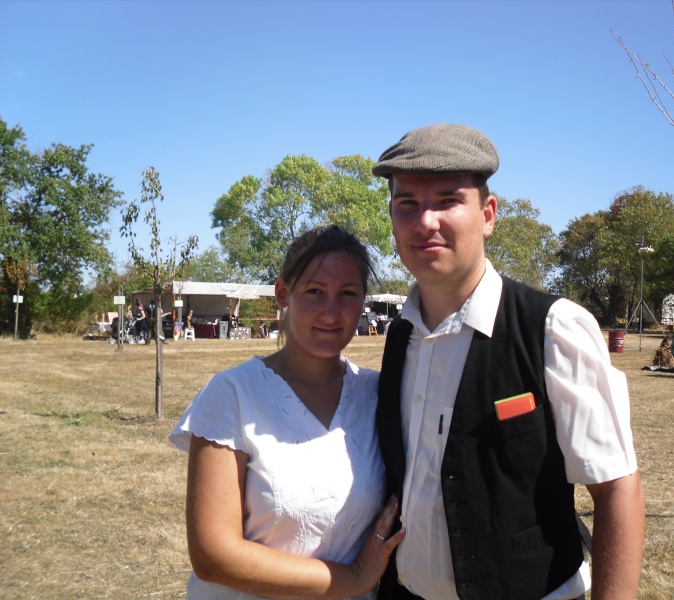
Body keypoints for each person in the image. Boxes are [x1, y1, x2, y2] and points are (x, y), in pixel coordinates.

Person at [371, 124, 645, 600]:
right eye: (407, 204)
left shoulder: (553, 328)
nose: (425, 221)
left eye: (448, 200)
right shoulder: (399, 336)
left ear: (489, 214)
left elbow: (617, 489)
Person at [169, 225, 405, 600]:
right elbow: (213, 555)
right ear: (284, 294)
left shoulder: (379, 394)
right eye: (314, 292)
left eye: (347, 294)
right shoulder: (233, 395)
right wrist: (354, 578)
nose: (331, 311)